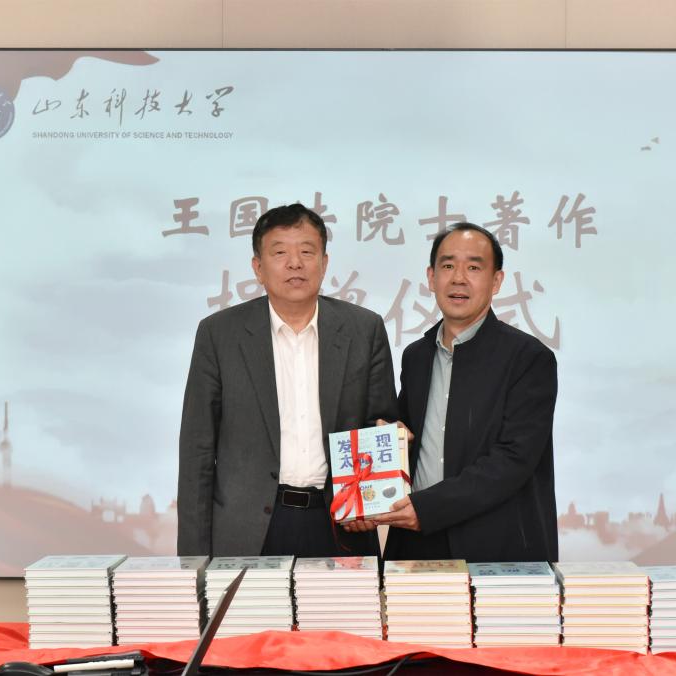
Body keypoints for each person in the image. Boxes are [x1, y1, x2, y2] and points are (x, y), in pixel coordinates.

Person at [177, 203, 398, 558]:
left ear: (324, 263)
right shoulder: (219, 334)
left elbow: (380, 423)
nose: (295, 263)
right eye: (280, 252)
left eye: (307, 252)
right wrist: (193, 559)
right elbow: (197, 452)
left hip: (338, 523)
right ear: (258, 267)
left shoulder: (364, 329)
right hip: (247, 528)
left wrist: (372, 493)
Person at [373, 223, 559, 562]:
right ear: (431, 277)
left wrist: (430, 508)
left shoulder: (528, 358)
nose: (458, 278)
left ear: (496, 281)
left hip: (492, 545)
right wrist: (391, 439)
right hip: (415, 542)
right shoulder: (416, 356)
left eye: (474, 267)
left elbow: (513, 460)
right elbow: (411, 438)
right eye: (448, 266)